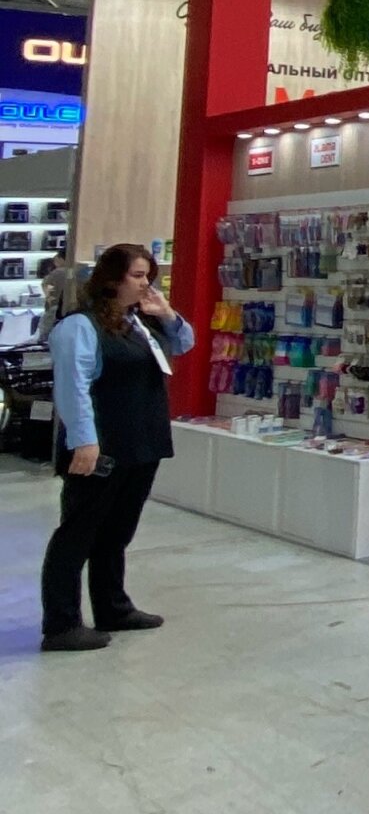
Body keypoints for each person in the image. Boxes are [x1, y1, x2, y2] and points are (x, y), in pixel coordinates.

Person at [40, 243, 194, 653]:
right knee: (78, 533)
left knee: (116, 532)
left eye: (149, 277)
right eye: (138, 276)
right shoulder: (80, 327)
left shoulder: (139, 323)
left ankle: (113, 607)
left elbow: (184, 344)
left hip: (141, 444)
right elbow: (73, 388)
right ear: (112, 279)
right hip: (101, 447)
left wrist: (167, 314)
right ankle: (61, 623)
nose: (146, 284)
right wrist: (84, 440)